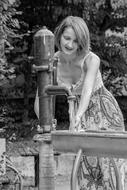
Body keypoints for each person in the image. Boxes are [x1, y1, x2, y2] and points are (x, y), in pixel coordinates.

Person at [34, 16, 125, 190]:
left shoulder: (91, 60)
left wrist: (78, 115)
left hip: (104, 112)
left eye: (75, 41)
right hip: (78, 114)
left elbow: (86, 91)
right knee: (87, 172)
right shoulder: (52, 62)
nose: (70, 44)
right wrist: (45, 123)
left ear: (82, 42)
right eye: (67, 38)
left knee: (110, 170)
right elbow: (41, 100)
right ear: (59, 35)